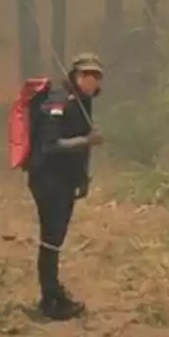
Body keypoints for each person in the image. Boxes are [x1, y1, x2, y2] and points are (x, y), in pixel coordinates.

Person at [25, 52, 106, 321]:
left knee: (57, 238)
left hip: (66, 180)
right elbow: (50, 146)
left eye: (96, 76)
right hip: (47, 179)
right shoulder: (57, 103)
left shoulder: (85, 102)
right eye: (86, 75)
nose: (91, 80)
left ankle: (54, 291)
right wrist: (86, 141)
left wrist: (83, 180)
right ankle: (49, 300)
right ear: (75, 75)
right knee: (50, 239)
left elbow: (83, 147)